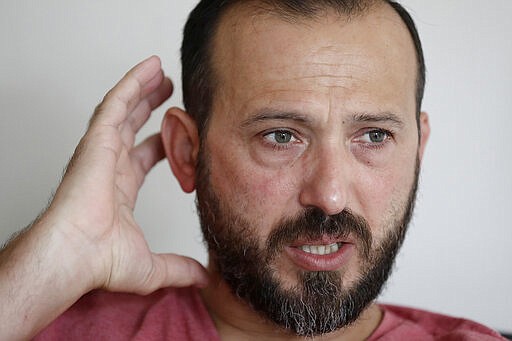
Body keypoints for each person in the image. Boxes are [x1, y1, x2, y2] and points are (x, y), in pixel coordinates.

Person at [0, 0, 506, 340]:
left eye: (373, 136)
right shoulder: (43, 323)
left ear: (418, 150)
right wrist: (50, 260)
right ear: (185, 152)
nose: (329, 195)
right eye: (280, 136)